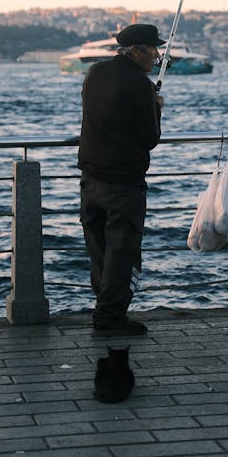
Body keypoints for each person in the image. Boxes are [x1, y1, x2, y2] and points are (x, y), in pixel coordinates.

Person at [78, 23, 166, 335]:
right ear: (137, 50)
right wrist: (156, 109)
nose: (156, 56)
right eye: (153, 49)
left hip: (90, 180)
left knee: (100, 251)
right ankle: (110, 318)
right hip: (123, 183)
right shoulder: (140, 85)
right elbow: (149, 138)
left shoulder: (95, 73)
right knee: (123, 251)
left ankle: (103, 310)